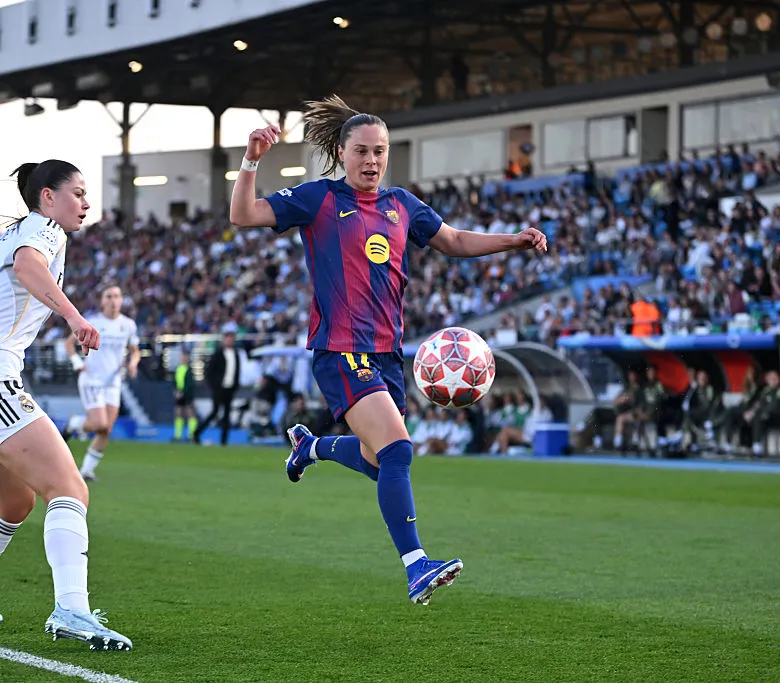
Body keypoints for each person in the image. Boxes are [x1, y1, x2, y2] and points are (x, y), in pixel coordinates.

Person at [228, 95, 547, 605]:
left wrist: (513, 240)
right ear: (342, 152)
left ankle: (311, 447)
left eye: (379, 151)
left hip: (386, 355)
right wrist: (251, 160)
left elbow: (453, 240)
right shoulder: (319, 199)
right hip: (340, 350)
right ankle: (417, 565)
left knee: (380, 463)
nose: (371, 160)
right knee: (398, 450)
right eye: (361, 151)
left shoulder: (402, 205)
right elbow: (243, 214)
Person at [0, 159, 132, 651]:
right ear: (48, 197)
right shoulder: (44, 232)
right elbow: (27, 267)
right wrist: (74, 317)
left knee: (14, 502)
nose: (86, 203)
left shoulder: (6, 239)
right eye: (78, 193)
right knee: (69, 488)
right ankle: (72, 609)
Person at [62, 284, 140, 481]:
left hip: (113, 382)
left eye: (117, 296)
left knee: (106, 429)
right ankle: (74, 424)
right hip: (92, 379)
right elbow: (69, 343)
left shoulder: (128, 325)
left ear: (121, 300)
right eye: (109, 296)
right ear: (102, 301)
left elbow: (135, 351)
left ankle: (86, 471)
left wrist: (133, 363)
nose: (113, 300)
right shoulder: (93, 322)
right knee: (99, 423)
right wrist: (77, 363)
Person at [193, 326, 248, 446]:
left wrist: (235, 385)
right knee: (215, 412)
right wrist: (214, 386)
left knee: (227, 414)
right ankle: (197, 432)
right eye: (228, 338)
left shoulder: (236, 354)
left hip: (230, 388)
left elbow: (237, 371)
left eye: (231, 338)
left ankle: (224, 441)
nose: (229, 340)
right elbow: (209, 372)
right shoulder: (218, 353)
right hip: (219, 388)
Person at [172, 347, 197, 443]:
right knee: (178, 413)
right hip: (179, 394)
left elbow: (190, 384)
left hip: (187, 394)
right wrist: (176, 391)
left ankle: (192, 435)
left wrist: (183, 392)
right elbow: (175, 381)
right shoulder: (178, 369)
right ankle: (177, 435)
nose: (183, 358)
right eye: (182, 356)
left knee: (190, 413)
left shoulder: (189, 370)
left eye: (185, 356)